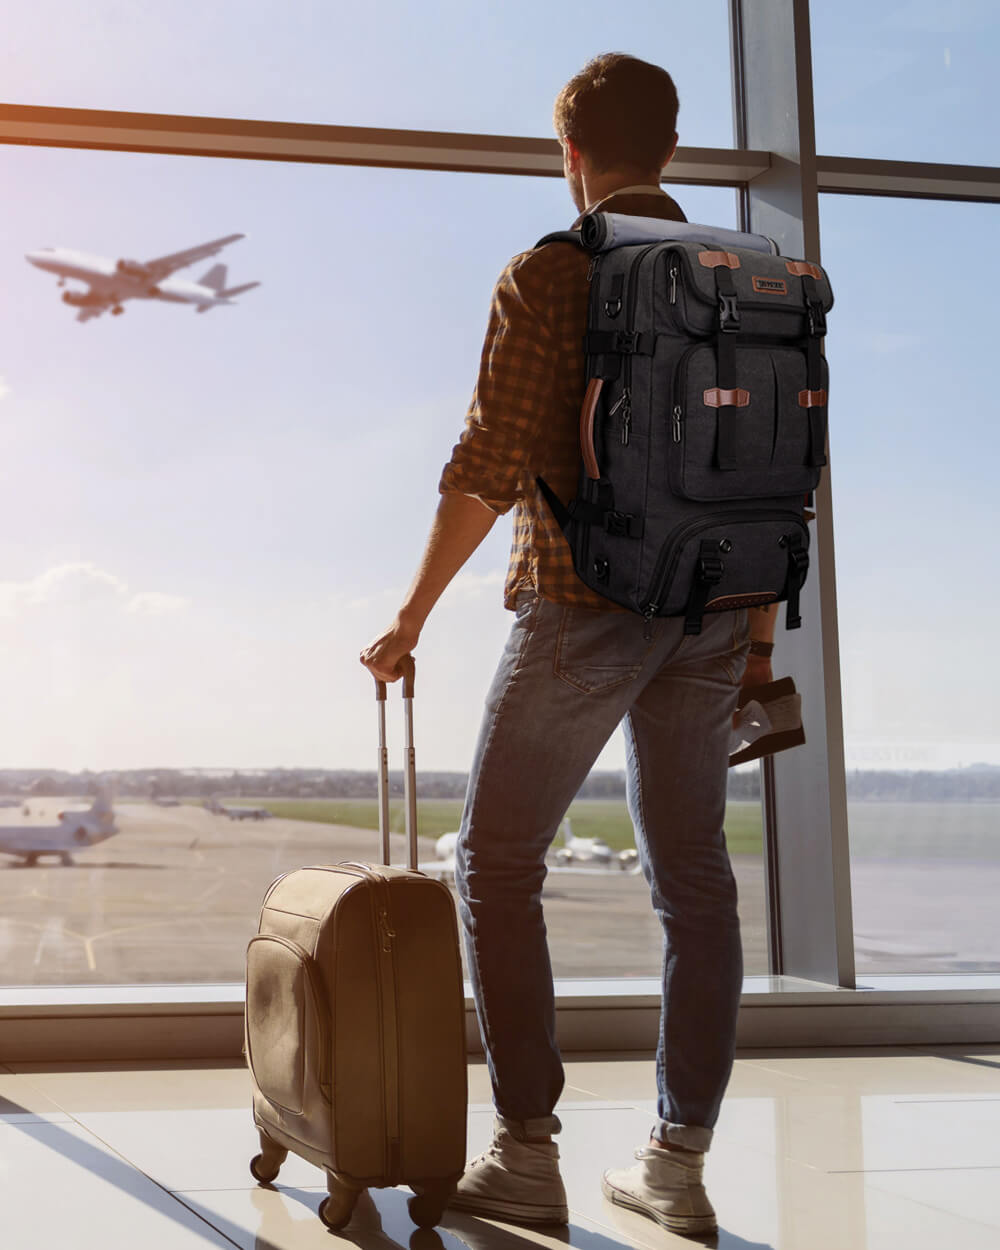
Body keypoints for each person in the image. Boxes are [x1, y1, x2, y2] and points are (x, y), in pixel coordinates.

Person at [362, 52, 774, 1238]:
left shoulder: (551, 271)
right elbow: (780, 485)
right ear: (673, 150)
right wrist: (751, 641)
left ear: (572, 154)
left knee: (495, 864)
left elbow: (487, 462)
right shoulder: (756, 276)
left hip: (581, 601)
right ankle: (676, 1161)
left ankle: (528, 1150)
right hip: (710, 610)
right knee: (693, 879)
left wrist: (410, 616)